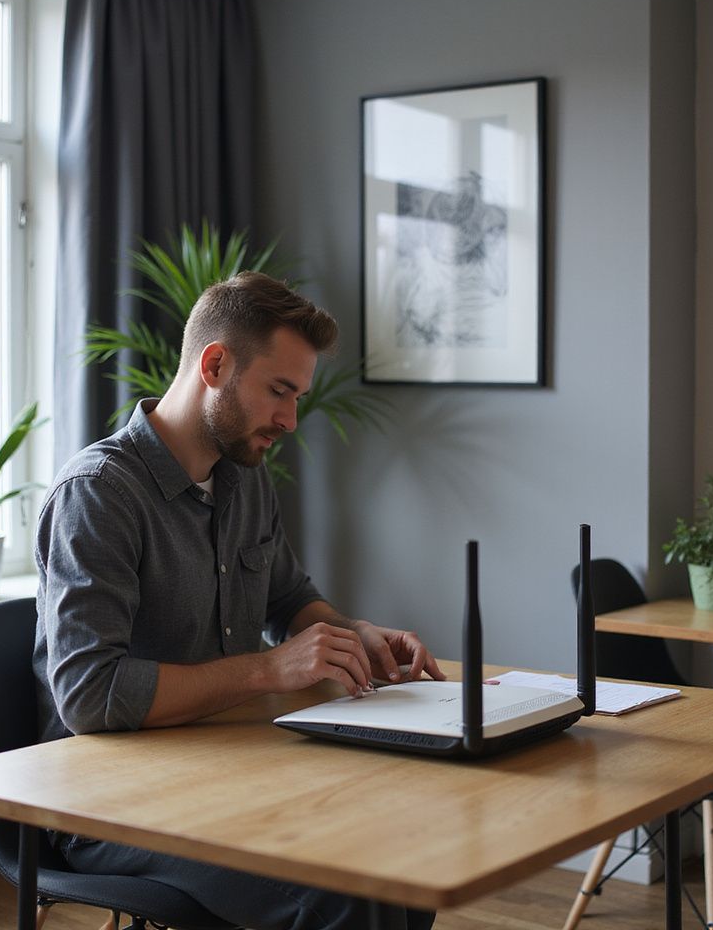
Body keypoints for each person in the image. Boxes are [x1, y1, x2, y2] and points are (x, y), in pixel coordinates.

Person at [34, 271, 443, 930]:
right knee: (338, 896)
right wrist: (269, 669)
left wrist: (351, 634)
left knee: (399, 867)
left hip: (226, 770)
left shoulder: (243, 479)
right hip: (107, 805)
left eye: (298, 396)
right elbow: (89, 695)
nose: (290, 419)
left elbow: (289, 596)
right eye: (279, 391)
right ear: (215, 365)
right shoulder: (99, 493)